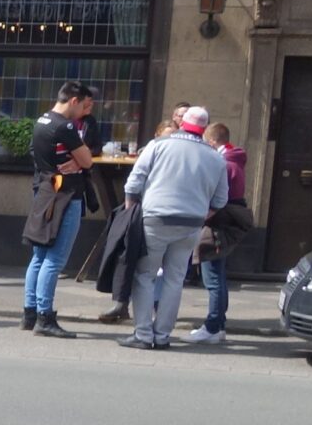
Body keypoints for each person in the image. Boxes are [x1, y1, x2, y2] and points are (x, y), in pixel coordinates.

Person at [120, 106, 230, 351]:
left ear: (181, 123)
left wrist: (131, 211)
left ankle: (143, 334)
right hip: (190, 224)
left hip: (155, 218)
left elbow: (134, 181)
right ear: (204, 128)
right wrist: (203, 215)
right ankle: (162, 336)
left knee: (146, 276)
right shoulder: (215, 157)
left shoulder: (158, 145)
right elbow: (221, 200)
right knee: (174, 279)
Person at [21, 82, 98, 339]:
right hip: (66, 194)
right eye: (84, 105)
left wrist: (70, 161)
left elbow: (35, 152)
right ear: (73, 101)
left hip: (45, 189)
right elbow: (87, 160)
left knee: (39, 255)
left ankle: (30, 313)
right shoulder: (65, 126)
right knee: (55, 259)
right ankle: (45, 316)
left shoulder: (42, 120)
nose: (85, 111)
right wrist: (79, 159)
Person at [186, 121, 251, 344]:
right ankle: (218, 326)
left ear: (212, 141)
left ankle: (212, 326)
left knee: (212, 277)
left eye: (206, 142)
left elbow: (218, 196)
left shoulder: (223, 163)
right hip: (228, 221)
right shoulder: (234, 160)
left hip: (218, 223)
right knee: (218, 276)